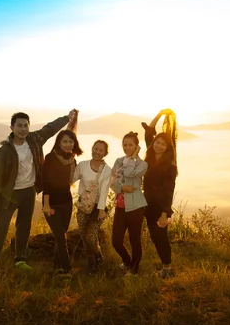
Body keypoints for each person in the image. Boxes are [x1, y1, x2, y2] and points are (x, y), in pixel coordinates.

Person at [0, 109, 78, 284]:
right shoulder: (4, 151)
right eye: (19, 125)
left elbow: (51, 128)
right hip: (9, 195)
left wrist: (67, 118)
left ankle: (20, 259)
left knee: (24, 226)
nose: (23, 129)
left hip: (28, 191)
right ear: (12, 127)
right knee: (1, 229)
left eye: (26, 125)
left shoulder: (34, 140)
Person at [42, 114, 83, 278]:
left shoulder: (72, 160)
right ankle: (67, 269)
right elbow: (46, 182)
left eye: (70, 142)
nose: (67, 144)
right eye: (65, 141)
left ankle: (56, 267)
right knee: (60, 237)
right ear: (59, 142)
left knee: (62, 236)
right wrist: (45, 204)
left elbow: (72, 180)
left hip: (66, 202)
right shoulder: (51, 157)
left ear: (74, 143)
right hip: (51, 203)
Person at [142, 109, 178, 278]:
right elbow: (149, 130)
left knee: (160, 237)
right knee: (154, 237)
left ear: (167, 147)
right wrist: (160, 114)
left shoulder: (170, 166)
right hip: (146, 203)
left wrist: (165, 213)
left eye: (163, 144)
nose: (159, 145)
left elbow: (169, 190)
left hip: (160, 206)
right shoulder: (149, 156)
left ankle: (167, 268)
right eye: (157, 142)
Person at [110, 132, 148, 276]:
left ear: (137, 146)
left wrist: (132, 158)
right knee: (116, 241)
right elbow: (112, 182)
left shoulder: (142, 164)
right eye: (125, 144)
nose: (127, 147)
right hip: (120, 207)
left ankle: (134, 270)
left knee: (135, 240)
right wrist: (122, 188)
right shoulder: (119, 161)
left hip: (136, 207)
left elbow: (130, 174)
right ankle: (127, 262)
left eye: (130, 145)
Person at [73, 140, 112, 275]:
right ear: (92, 149)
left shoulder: (107, 170)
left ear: (105, 153)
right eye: (95, 149)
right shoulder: (82, 165)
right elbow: (71, 179)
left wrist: (101, 209)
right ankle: (92, 266)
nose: (97, 152)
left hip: (97, 207)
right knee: (84, 238)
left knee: (90, 236)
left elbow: (105, 190)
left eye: (101, 150)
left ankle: (97, 253)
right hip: (83, 205)